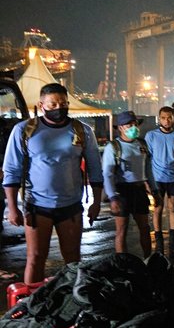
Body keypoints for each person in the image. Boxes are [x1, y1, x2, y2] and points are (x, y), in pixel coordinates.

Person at [3, 83, 103, 285]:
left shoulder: (82, 131)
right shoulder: (23, 130)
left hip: (71, 206)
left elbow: (95, 169)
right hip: (37, 206)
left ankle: (74, 302)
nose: (59, 108)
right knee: (36, 258)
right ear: (42, 105)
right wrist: (13, 208)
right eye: (53, 104)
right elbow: (11, 170)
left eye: (63, 103)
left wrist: (96, 202)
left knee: (73, 259)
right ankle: (31, 305)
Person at [103, 111, 159, 259]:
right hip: (122, 192)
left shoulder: (142, 144)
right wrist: (112, 197)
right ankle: (123, 264)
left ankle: (147, 261)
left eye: (135, 124)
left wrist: (154, 189)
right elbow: (107, 174)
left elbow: (148, 169)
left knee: (145, 228)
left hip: (139, 190)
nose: (133, 127)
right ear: (120, 127)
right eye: (129, 125)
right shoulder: (113, 147)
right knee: (122, 230)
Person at [145, 106, 174, 258]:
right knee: (158, 208)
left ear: (173, 118)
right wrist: (147, 181)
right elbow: (146, 159)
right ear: (159, 118)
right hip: (157, 179)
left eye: (169, 117)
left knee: (173, 209)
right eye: (163, 117)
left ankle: (172, 242)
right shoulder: (150, 136)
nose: (166, 120)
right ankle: (158, 242)